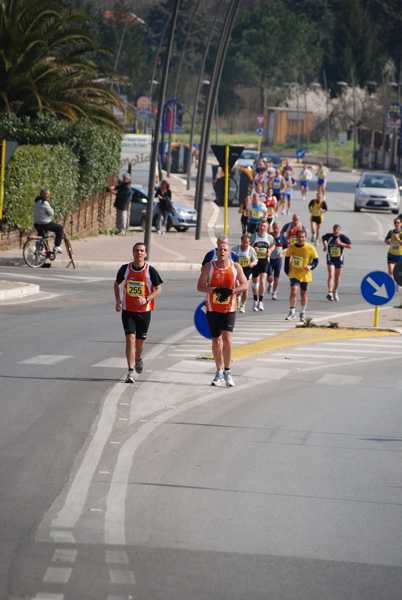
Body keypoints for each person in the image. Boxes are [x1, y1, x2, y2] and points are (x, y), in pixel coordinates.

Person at [197, 243, 248, 387]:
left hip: (229, 308)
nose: (222, 252)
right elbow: (200, 286)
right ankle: (218, 372)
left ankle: (228, 371)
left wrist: (231, 291)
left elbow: (245, 285)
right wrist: (215, 290)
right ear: (217, 252)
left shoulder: (235, 267)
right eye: (220, 249)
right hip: (213, 309)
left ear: (229, 253)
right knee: (216, 341)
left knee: (228, 339)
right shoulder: (209, 267)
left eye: (225, 250)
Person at [114, 242, 163, 383]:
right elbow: (116, 283)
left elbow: (158, 289)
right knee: (130, 339)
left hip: (144, 311)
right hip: (128, 310)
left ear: (145, 254)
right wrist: (118, 300)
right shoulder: (125, 269)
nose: (139, 253)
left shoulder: (150, 270)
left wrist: (146, 299)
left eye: (142, 251)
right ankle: (130, 372)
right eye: (136, 250)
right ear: (133, 253)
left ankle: (138, 357)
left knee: (140, 343)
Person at [284, 229, 319, 322]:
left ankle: (302, 312)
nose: (301, 239)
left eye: (302, 237)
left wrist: (310, 266)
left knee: (303, 294)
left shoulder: (310, 248)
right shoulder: (292, 247)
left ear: (305, 237)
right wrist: (287, 270)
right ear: (296, 237)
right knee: (293, 291)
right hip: (294, 273)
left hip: (305, 275)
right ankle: (292, 312)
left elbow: (316, 261)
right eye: (299, 237)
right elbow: (287, 258)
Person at [322, 224, 352, 301]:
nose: (336, 231)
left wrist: (340, 244)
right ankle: (329, 292)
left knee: (337, 277)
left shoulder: (342, 237)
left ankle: (335, 290)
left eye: (337, 229)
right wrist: (325, 246)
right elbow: (323, 238)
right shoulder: (329, 236)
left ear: (339, 230)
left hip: (339, 259)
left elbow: (350, 246)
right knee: (331, 275)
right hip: (330, 259)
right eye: (335, 229)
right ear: (333, 230)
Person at [250, 220, 275, 311]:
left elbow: (273, 245)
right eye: (261, 226)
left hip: (264, 261)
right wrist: (253, 249)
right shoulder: (253, 236)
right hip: (255, 261)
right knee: (255, 282)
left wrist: (270, 251)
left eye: (264, 226)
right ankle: (255, 299)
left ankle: (260, 301)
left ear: (267, 227)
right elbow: (247, 247)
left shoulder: (269, 237)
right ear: (258, 226)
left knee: (262, 281)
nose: (262, 228)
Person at [231, 234, 258, 312]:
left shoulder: (251, 250)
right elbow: (230, 258)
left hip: (247, 270)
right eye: (243, 242)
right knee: (238, 288)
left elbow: (255, 261)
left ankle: (243, 305)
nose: (245, 244)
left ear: (249, 242)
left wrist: (251, 264)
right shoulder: (236, 249)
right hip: (238, 270)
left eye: (247, 243)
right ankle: (237, 299)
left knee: (245, 289)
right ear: (241, 242)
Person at [33, 188, 64, 253]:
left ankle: (38, 251)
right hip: (45, 223)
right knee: (60, 228)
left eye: (49, 194)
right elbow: (52, 213)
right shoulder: (44, 202)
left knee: (41, 238)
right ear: (42, 194)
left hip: (37, 224)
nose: (48, 196)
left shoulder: (36, 202)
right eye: (47, 194)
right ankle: (56, 246)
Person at [267, 221, 288, 300]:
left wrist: (282, 252)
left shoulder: (282, 237)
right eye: (274, 228)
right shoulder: (269, 236)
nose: (276, 230)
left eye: (277, 228)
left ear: (279, 228)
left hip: (278, 260)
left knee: (276, 278)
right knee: (269, 277)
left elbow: (286, 248)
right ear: (272, 228)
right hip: (269, 260)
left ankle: (274, 293)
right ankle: (270, 283)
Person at [385, 217, 402, 289]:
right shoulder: (391, 232)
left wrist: (397, 239)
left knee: (398, 272)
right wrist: (387, 242)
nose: (396, 224)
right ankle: (391, 285)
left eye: (398, 223)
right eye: (395, 223)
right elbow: (386, 240)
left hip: (399, 255)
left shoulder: (401, 233)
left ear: (401, 224)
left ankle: (398, 283)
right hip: (391, 254)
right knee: (391, 271)